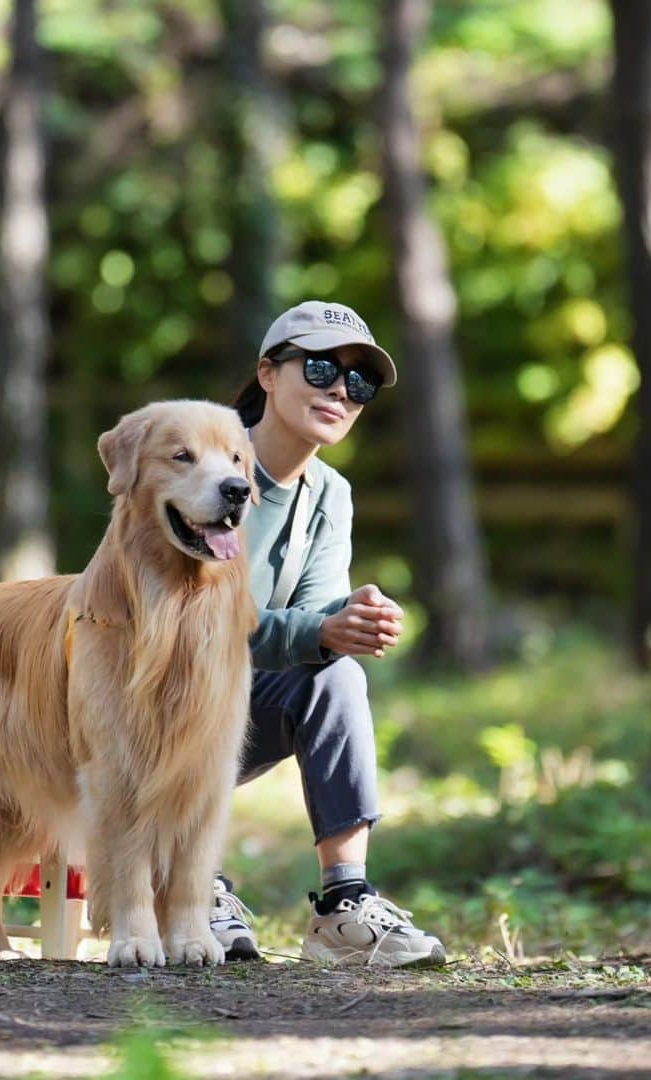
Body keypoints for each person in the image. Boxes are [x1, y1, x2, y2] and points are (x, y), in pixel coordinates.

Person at [208, 300, 446, 968]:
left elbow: (309, 626)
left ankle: (344, 906)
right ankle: (185, 883)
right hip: (146, 711)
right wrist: (322, 629)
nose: (341, 389)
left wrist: (347, 623)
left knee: (339, 673)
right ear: (268, 373)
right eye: (319, 367)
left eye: (359, 382)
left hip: (235, 716)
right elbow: (186, 628)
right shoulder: (202, 466)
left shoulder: (330, 495)